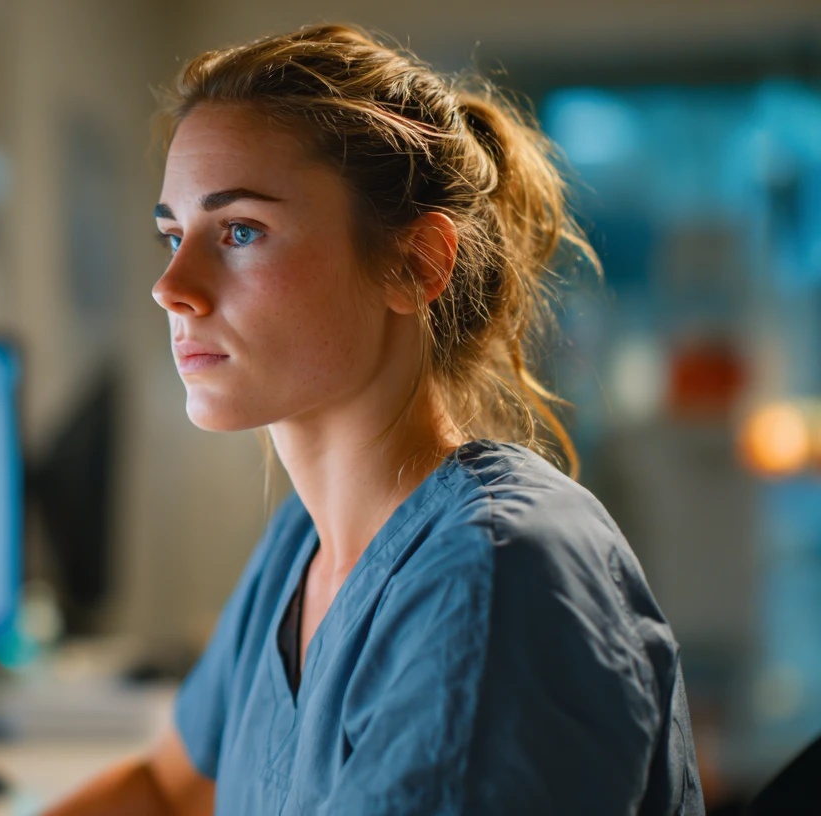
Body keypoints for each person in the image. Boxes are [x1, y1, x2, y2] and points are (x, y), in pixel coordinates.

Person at [46, 24, 703, 816]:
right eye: (173, 236)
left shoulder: (496, 578)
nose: (171, 287)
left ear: (415, 264)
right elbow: (163, 788)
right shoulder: (302, 545)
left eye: (241, 231)